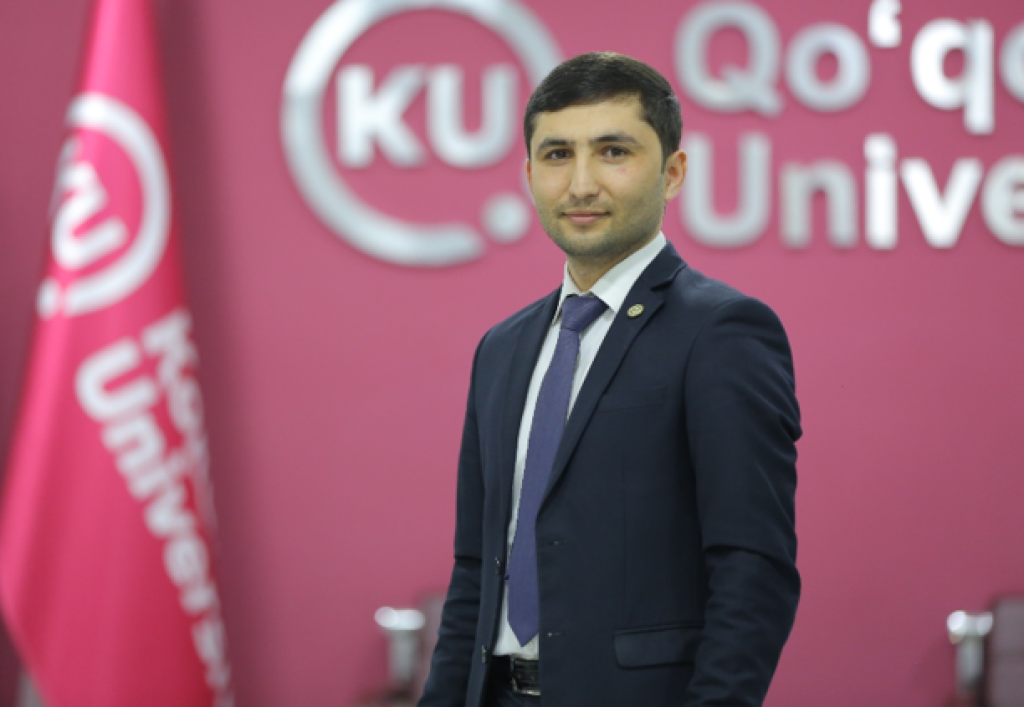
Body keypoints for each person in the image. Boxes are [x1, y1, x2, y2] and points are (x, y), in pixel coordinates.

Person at [418, 52, 801, 707]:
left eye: (613, 151)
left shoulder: (722, 331)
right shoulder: (502, 348)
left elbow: (752, 568)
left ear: (672, 172)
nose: (581, 183)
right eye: (557, 154)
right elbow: (476, 568)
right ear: (529, 174)